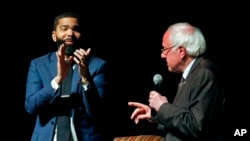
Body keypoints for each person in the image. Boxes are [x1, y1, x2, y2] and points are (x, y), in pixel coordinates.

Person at [128, 22, 225, 141]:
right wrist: (157, 115)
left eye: (165, 49)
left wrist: (163, 106)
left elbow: (197, 127)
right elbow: (184, 122)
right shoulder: (191, 73)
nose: (162, 55)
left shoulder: (204, 74)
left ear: (181, 51)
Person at [25, 11, 113, 141]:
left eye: (75, 29)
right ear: (54, 36)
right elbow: (31, 107)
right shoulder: (38, 65)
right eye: (64, 29)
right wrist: (58, 79)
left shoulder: (98, 65)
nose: (70, 33)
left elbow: (97, 112)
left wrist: (85, 77)